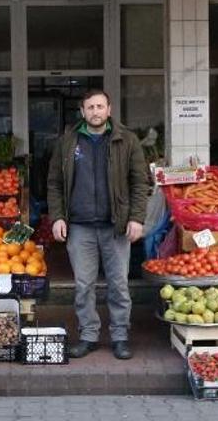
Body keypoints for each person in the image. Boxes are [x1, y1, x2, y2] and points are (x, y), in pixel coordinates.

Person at [47, 89, 149, 360]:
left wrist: (137, 218)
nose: (95, 112)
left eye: (100, 106)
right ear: (82, 112)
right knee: (83, 285)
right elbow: (54, 183)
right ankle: (89, 335)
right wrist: (57, 216)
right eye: (90, 107)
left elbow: (140, 183)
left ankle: (120, 336)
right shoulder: (68, 141)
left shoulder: (127, 140)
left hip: (115, 225)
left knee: (119, 285)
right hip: (79, 226)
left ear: (109, 109)